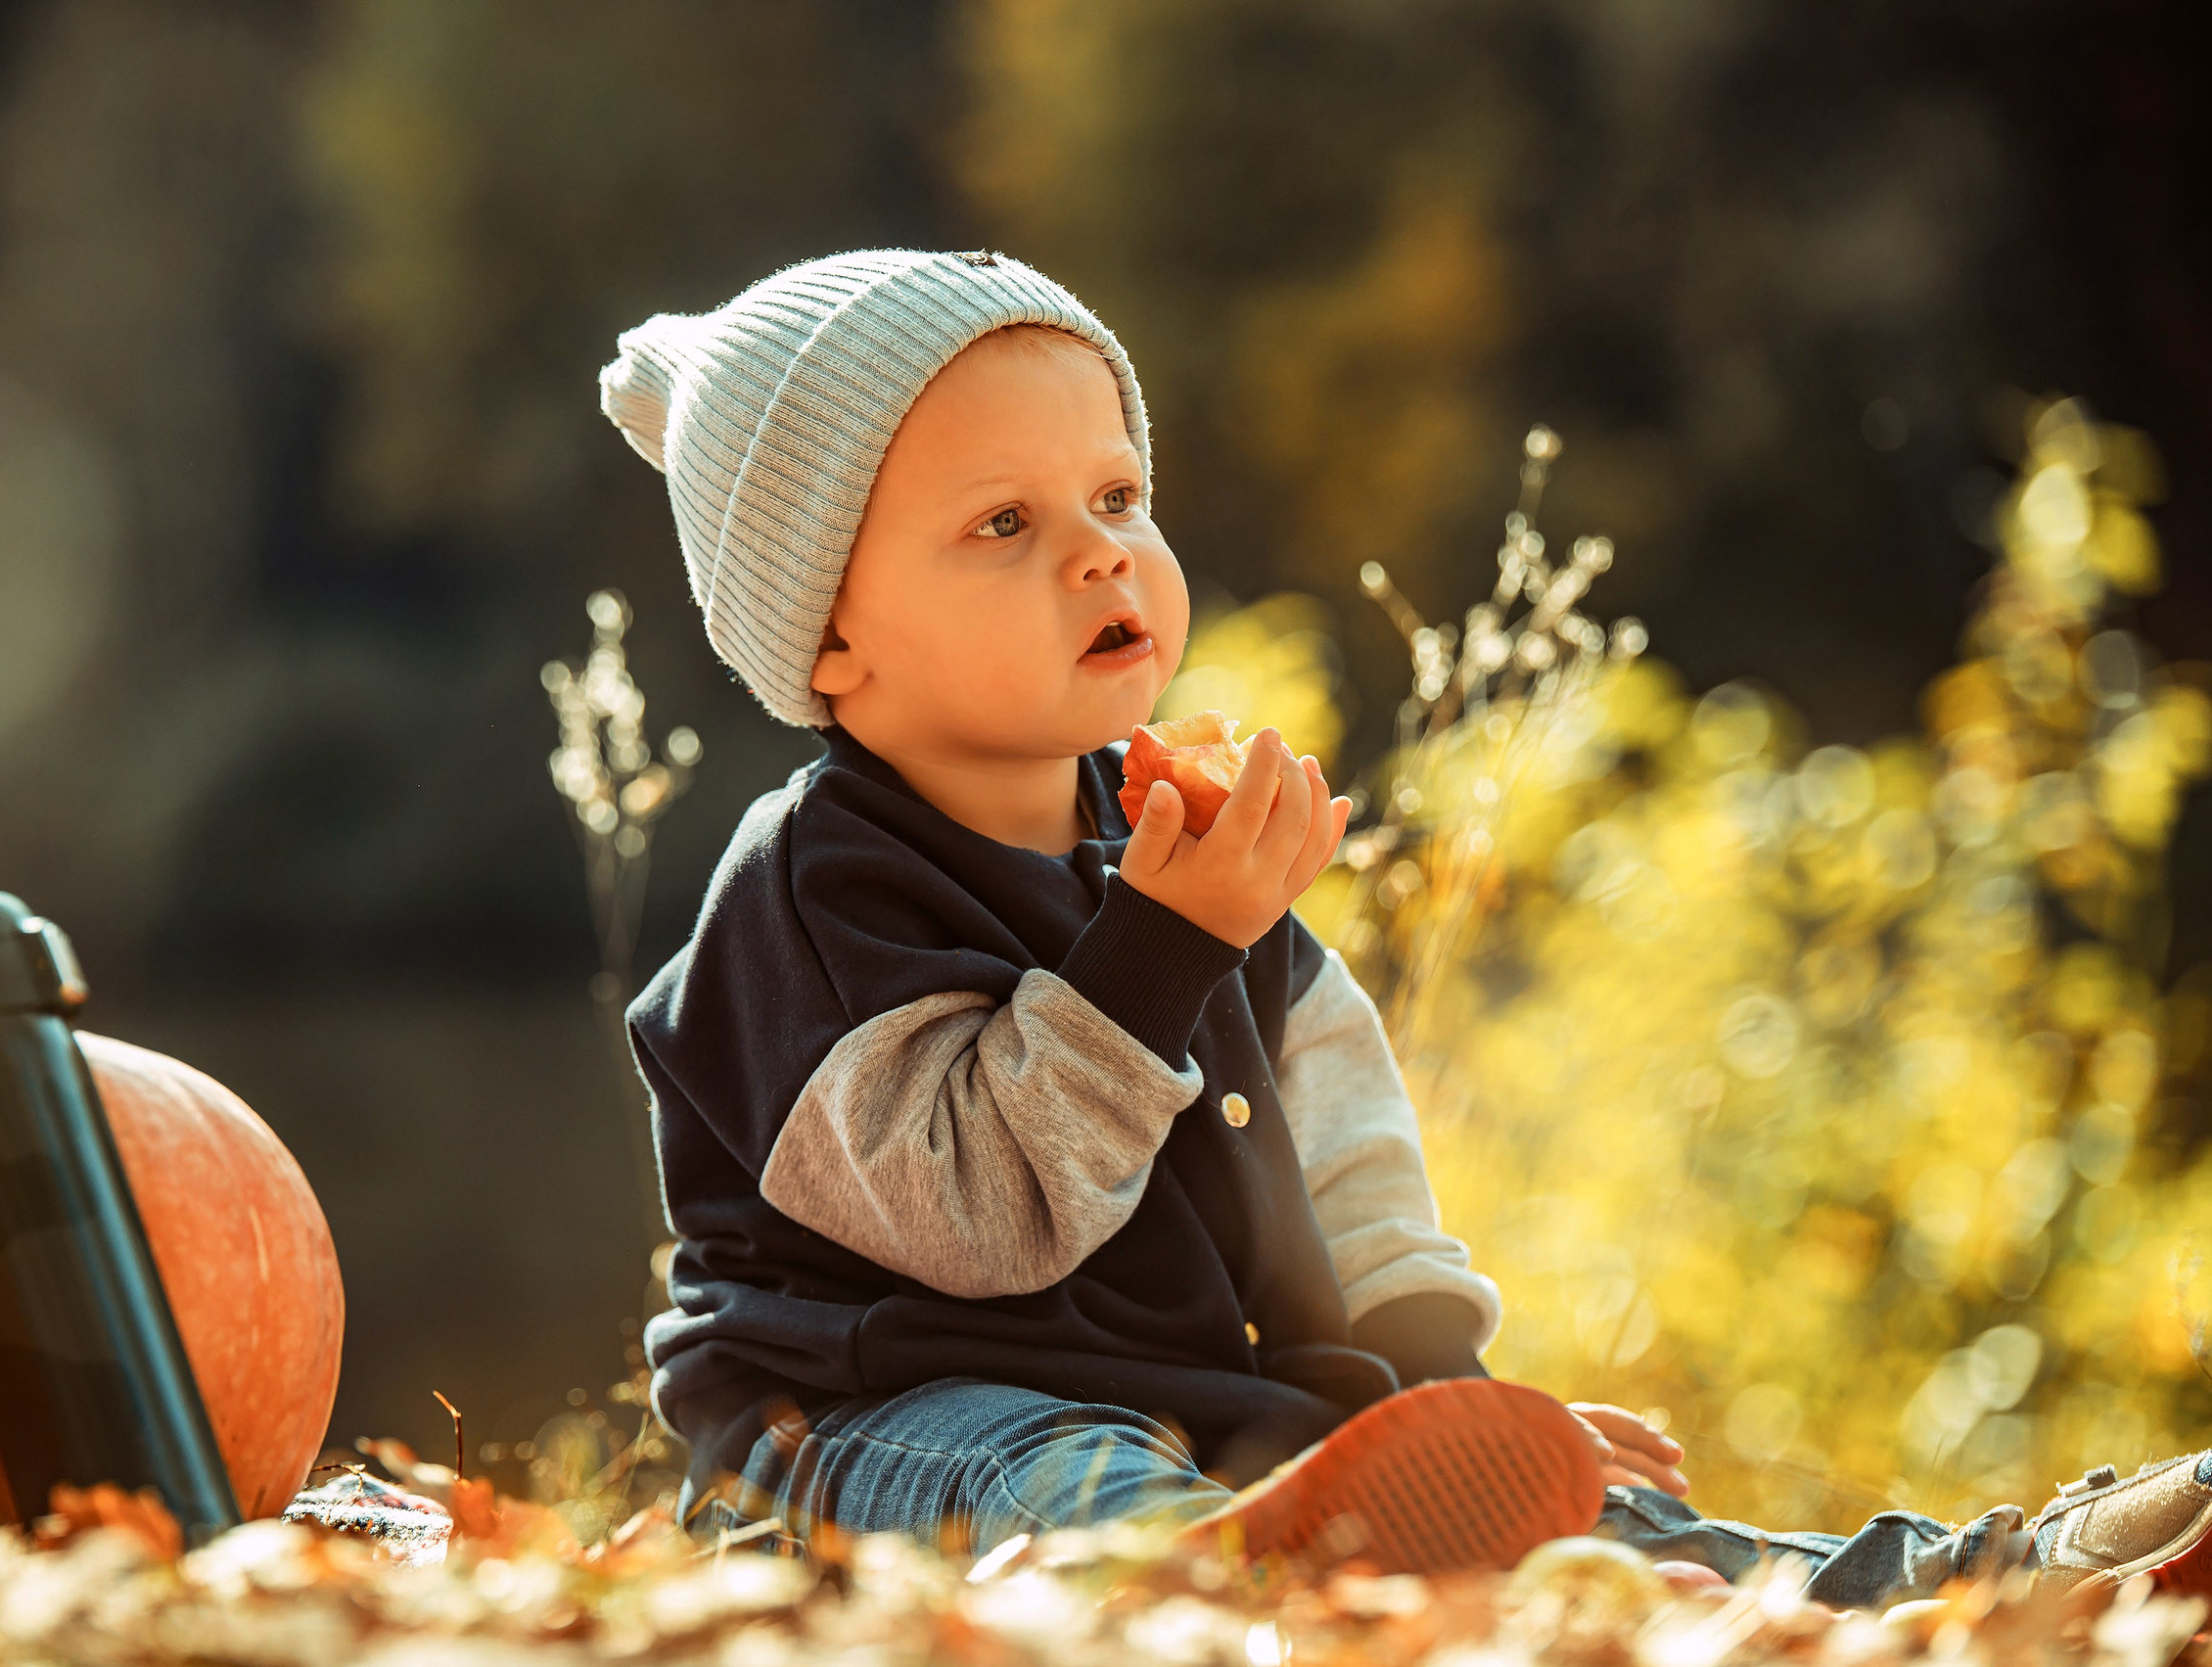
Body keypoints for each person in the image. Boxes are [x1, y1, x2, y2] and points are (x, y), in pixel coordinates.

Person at [597, 249, 2212, 1607]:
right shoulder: (811, 893)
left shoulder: (1176, 835)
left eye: (1115, 492)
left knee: (1582, 1508)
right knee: (1071, 1483)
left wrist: (1440, 1390)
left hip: (1194, 1414)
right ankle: (1252, 1591)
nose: (1101, 548)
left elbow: (1347, 1153)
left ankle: (1965, 1580)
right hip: (864, 1426)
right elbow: (970, 1217)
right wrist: (1161, 949)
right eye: (1002, 526)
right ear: (828, 643)